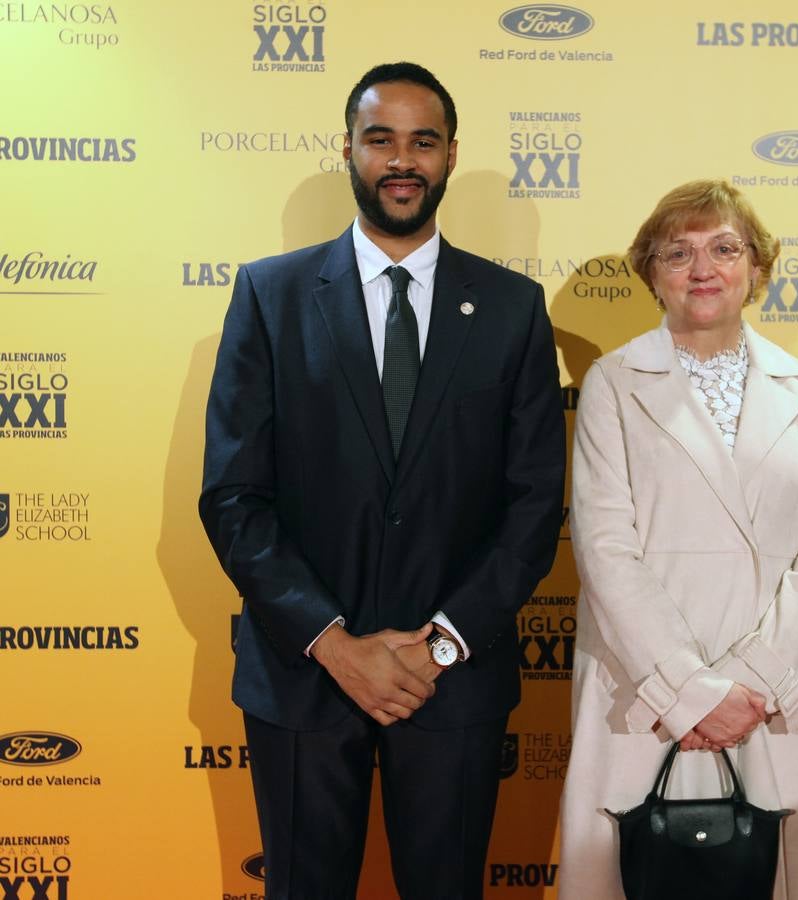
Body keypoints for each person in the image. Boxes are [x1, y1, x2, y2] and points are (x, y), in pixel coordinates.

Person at [199, 61, 565, 900]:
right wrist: (336, 644)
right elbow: (234, 497)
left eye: (422, 142)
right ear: (348, 151)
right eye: (380, 139)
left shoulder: (512, 307)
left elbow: (535, 505)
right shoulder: (271, 294)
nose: (402, 160)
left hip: (455, 680)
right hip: (302, 678)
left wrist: (436, 647)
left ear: (448, 156)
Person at [559, 180, 798, 899]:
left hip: (768, 695)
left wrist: (750, 683)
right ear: (651, 273)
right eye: (679, 252)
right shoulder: (613, 383)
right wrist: (690, 693)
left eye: (724, 248)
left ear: (757, 267)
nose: (703, 268)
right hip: (644, 692)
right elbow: (604, 548)